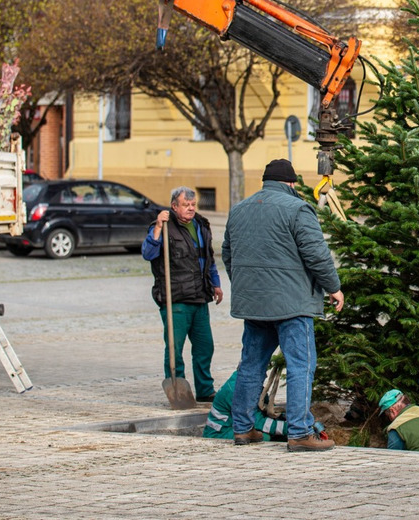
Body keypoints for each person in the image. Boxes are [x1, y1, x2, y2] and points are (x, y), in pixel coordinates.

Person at [220, 159, 344, 452]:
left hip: (255, 304)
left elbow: (228, 253)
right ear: (291, 183)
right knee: (301, 365)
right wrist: (333, 287)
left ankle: (243, 429)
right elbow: (316, 254)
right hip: (292, 305)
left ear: (265, 182)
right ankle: (300, 433)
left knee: (251, 365)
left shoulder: (239, 210)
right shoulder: (298, 209)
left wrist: (247, 286)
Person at [141, 186, 222, 403]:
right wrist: (158, 227)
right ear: (174, 206)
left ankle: (205, 389)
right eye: (186, 205)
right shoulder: (165, 226)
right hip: (175, 299)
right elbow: (148, 253)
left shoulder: (201, 225)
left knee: (205, 346)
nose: (191, 208)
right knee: (175, 348)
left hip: (200, 296)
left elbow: (208, 259)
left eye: (193, 204)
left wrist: (215, 284)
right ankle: (177, 388)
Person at [202, 371, 326, 441]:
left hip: (232, 428)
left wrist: (286, 418)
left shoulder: (248, 383)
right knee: (265, 438)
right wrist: (293, 427)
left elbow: (268, 409)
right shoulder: (237, 389)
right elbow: (259, 422)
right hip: (219, 434)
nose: (265, 375)